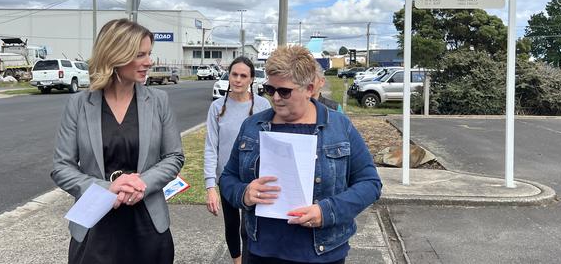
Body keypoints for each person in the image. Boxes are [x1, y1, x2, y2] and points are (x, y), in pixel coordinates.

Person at [220, 45, 381, 264]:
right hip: (261, 251)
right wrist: (244, 193)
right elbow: (227, 178)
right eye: (269, 89)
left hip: (323, 253)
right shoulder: (252, 126)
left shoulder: (339, 127)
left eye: (284, 91)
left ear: (309, 88)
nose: (275, 98)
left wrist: (326, 211)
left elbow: (370, 183)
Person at [51, 19, 185, 264]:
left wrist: (141, 182)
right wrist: (107, 189)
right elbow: (61, 167)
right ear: (116, 55)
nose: (149, 61)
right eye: (140, 54)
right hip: (95, 226)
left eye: (149, 53)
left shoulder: (158, 101)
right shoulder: (79, 104)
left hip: (147, 225)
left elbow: (174, 157)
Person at [204, 56, 271, 264]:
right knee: (232, 225)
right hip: (227, 179)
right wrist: (210, 186)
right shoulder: (217, 108)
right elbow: (210, 147)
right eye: (234, 74)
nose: (238, 80)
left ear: (252, 79)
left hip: (255, 178)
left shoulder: (263, 106)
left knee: (250, 227)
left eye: (244, 75)